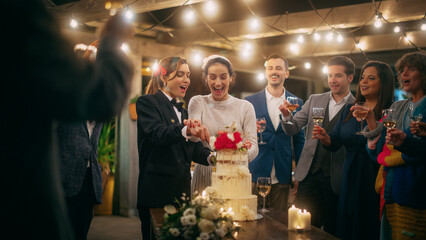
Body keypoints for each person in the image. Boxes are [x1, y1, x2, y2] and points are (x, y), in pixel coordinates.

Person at [3, 1, 134, 239]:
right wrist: (112, 40)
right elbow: (101, 97)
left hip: (84, 181)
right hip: (28, 195)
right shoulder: (21, 16)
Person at [313, 61, 395, 240]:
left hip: (373, 173)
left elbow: (386, 148)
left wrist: (372, 120)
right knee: (347, 222)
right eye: (363, 77)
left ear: (384, 83)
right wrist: (324, 136)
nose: (364, 82)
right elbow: (334, 141)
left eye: (371, 78)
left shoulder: (390, 112)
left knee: (368, 222)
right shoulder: (350, 110)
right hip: (349, 173)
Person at [136, 56, 213, 240]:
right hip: (157, 193)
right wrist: (186, 129)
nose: (186, 79)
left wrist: (212, 157)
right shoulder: (147, 102)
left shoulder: (184, 111)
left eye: (188, 75)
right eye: (180, 74)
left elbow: (192, 149)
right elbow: (157, 134)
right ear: (164, 77)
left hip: (181, 194)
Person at [279, 56, 355, 235]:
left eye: (338, 75)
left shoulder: (356, 106)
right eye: (330, 75)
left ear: (350, 78)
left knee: (332, 230)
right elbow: (293, 128)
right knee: (302, 228)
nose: (332, 80)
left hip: (336, 178)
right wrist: (286, 117)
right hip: (309, 176)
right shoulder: (315, 100)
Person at [365, 52, 426, 240]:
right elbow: (380, 147)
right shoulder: (397, 107)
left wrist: (402, 146)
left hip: (418, 191)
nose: (404, 74)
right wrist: (370, 120)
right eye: (401, 71)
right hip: (391, 189)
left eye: (412, 69)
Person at [190, 55, 259, 195]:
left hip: (235, 174)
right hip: (206, 171)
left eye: (223, 77)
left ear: (230, 78)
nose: (218, 82)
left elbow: (253, 145)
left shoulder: (245, 107)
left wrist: (234, 159)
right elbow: (193, 140)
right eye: (212, 77)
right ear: (206, 79)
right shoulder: (198, 102)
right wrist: (194, 131)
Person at [245, 54, 305, 211]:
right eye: (270, 68)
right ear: (265, 72)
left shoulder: (296, 102)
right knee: (252, 221)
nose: (274, 71)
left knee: (279, 225)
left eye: (279, 68)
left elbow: (299, 141)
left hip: (282, 173)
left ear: (287, 73)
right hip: (256, 172)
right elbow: (242, 136)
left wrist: (299, 173)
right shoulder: (250, 102)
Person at [57, 120, 104, 240]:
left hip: (89, 177)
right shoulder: (69, 106)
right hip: (65, 177)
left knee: (82, 230)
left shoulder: (99, 113)